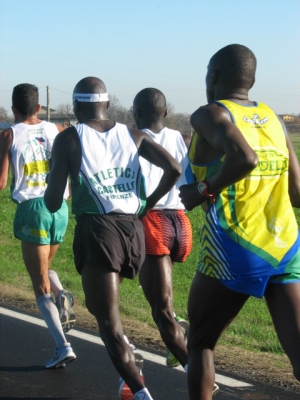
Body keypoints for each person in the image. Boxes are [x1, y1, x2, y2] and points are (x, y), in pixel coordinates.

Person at [44, 76, 182, 400]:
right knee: (110, 311)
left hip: (99, 231)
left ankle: (140, 393)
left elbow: (52, 202)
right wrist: (147, 202)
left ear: (76, 107)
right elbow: (173, 168)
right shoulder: (132, 134)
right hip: (133, 232)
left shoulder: (68, 139)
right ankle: (136, 374)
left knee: (109, 326)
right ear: (107, 105)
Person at [179, 44, 300, 400]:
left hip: (236, 246)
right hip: (286, 246)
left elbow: (243, 157)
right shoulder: (275, 118)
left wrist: (204, 188)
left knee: (200, 341)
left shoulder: (210, 114)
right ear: (252, 81)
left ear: (213, 76)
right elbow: (297, 193)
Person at [0, 83, 77, 369]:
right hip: (60, 207)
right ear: (39, 108)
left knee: (38, 282)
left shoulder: (8, 134)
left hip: (32, 208)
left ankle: (62, 345)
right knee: (44, 269)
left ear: (13, 108)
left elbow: (1, 182)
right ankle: (60, 293)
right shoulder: (57, 130)